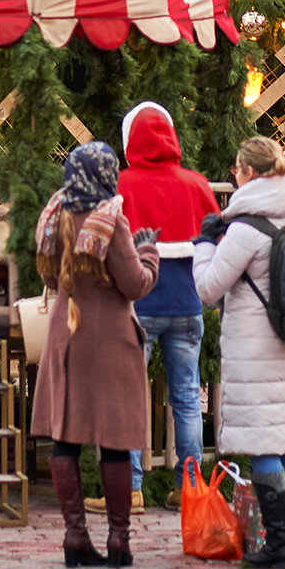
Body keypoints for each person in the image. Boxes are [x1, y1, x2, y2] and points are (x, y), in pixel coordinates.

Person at [194, 134, 285, 569]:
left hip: (253, 344)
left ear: (248, 172)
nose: (234, 176)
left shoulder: (246, 227)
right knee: (282, 436)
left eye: (236, 169)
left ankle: (278, 545)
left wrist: (204, 244)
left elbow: (209, 288)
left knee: (264, 442)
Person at [29, 141, 159, 569]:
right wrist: (148, 252)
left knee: (65, 437)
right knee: (115, 440)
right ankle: (119, 540)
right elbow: (134, 284)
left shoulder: (55, 214)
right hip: (108, 340)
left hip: (67, 336)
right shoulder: (111, 221)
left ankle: (75, 537)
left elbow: (49, 274)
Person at [116, 101, 216, 487]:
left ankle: (132, 487)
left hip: (137, 305)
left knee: (129, 398)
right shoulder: (196, 184)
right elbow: (215, 238)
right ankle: (189, 487)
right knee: (188, 398)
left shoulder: (122, 185)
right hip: (187, 301)